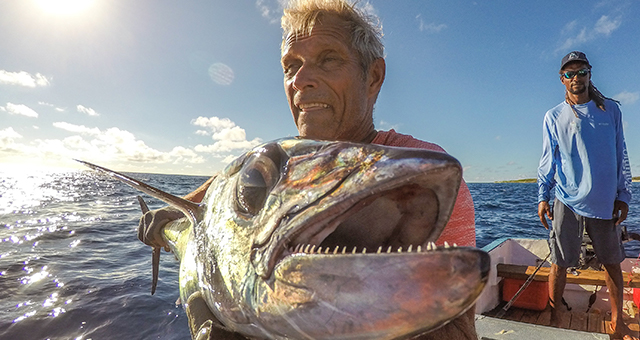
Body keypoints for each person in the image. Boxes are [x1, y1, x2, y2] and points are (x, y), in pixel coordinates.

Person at [140, 0, 476, 338]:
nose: (300, 79)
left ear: (373, 77)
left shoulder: (419, 174)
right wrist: (170, 211)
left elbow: (460, 328)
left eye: (328, 59)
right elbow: (236, 182)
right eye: (290, 66)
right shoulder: (275, 163)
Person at [537, 51, 634, 339]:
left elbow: (621, 155)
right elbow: (548, 160)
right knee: (559, 261)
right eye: (569, 73)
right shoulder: (553, 116)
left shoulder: (611, 111)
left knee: (612, 262)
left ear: (590, 74)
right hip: (567, 199)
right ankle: (554, 318)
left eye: (581, 72)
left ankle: (618, 323)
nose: (576, 78)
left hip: (605, 201)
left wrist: (624, 196)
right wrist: (543, 196)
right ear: (561, 79)